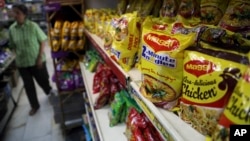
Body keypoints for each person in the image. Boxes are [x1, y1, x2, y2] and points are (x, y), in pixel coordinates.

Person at [9, 4, 56, 116]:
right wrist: (17, 58)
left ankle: (50, 94)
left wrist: (40, 58)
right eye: (14, 12)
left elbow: (42, 41)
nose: (15, 15)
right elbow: (12, 46)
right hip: (22, 63)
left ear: (24, 14)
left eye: (18, 13)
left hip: (37, 61)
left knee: (43, 81)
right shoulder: (12, 29)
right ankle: (34, 106)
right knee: (28, 86)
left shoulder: (33, 26)